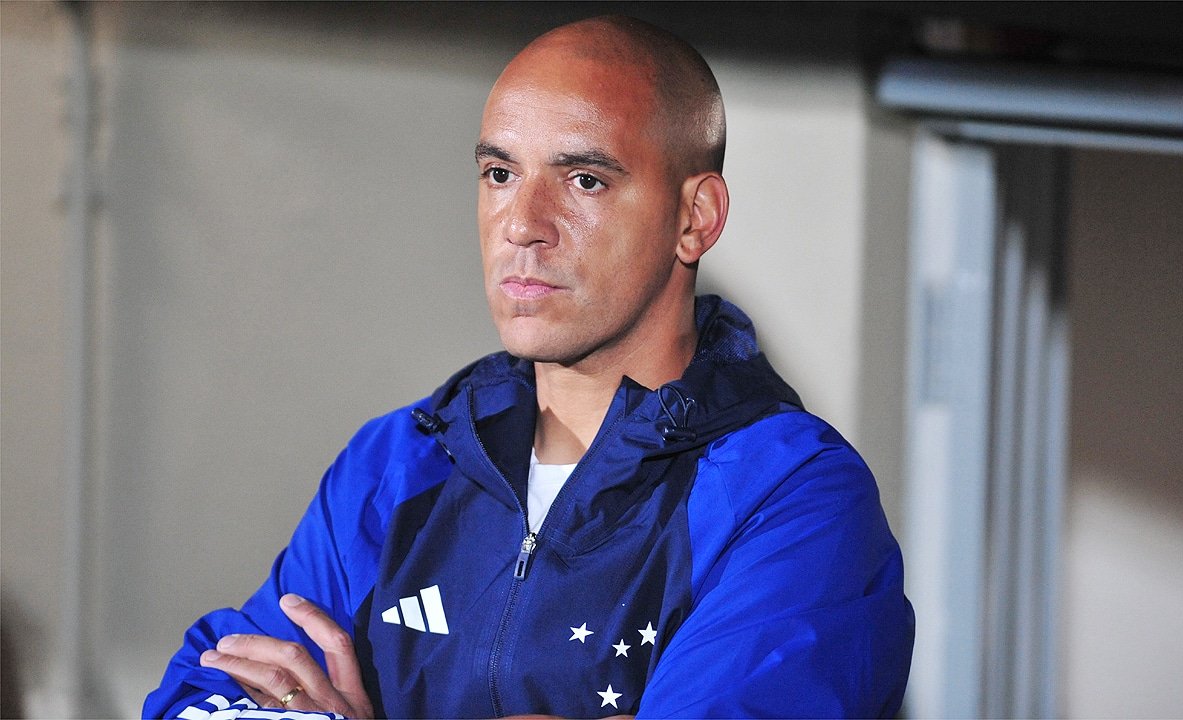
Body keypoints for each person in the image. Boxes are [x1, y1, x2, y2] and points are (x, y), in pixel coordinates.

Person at [145, 15, 914, 719]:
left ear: (695, 217)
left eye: (584, 181)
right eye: (499, 174)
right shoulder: (398, 463)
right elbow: (210, 686)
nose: (522, 225)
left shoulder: (788, 500)